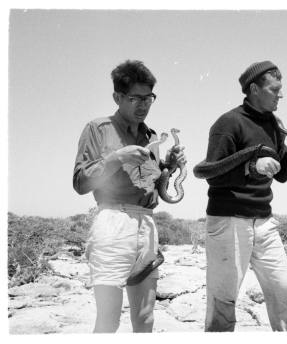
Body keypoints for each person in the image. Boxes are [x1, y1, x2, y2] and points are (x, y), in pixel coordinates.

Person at [73, 60, 186, 333]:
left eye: (149, 98)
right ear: (118, 97)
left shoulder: (151, 136)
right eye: (135, 98)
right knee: (108, 319)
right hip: (113, 221)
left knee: (146, 318)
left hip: (147, 225)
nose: (143, 105)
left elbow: (154, 182)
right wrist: (115, 158)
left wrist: (169, 165)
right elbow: (80, 183)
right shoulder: (98, 129)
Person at [201, 61, 287, 331]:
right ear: (254, 89)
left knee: (285, 293)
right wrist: (251, 166)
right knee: (223, 303)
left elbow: (282, 174)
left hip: (264, 222)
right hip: (229, 221)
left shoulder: (274, 125)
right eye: (275, 89)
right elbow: (211, 173)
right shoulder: (228, 123)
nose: (281, 95)